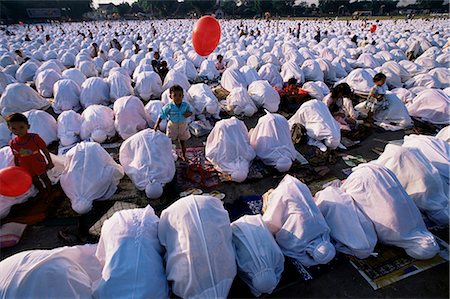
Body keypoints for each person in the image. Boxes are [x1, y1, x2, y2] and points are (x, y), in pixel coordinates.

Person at [6, 113, 54, 198]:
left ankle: (50, 191)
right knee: (34, 180)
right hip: (26, 166)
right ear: (9, 129)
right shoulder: (13, 143)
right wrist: (18, 169)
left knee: (44, 177)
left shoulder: (34, 138)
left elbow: (45, 150)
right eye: (14, 128)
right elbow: (16, 156)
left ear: (28, 126)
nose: (18, 131)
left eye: (21, 127)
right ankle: (42, 192)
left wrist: (50, 162)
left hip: (37, 162)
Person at [154, 85, 193, 162]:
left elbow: (190, 112)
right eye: (175, 95)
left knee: (182, 141)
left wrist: (188, 114)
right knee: (169, 141)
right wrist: (157, 124)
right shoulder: (169, 106)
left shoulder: (185, 105)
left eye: (180, 95)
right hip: (172, 125)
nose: (178, 97)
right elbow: (162, 115)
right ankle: (169, 154)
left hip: (183, 125)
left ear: (183, 96)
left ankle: (184, 155)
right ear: (170, 96)